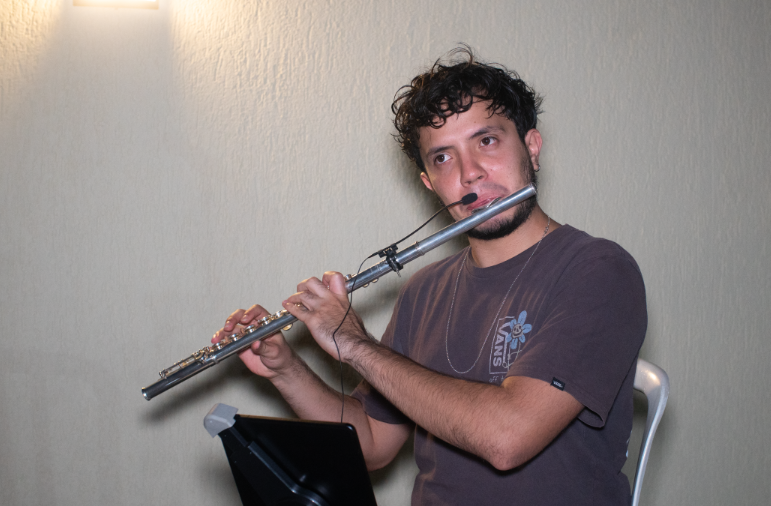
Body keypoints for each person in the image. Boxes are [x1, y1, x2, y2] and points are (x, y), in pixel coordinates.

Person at [212, 47, 647, 505]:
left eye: (487, 141)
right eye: (442, 158)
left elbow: (508, 437)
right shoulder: (424, 290)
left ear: (531, 147)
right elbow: (372, 443)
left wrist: (356, 345)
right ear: (429, 183)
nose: (469, 173)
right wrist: (286, 370)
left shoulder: (599, 271)